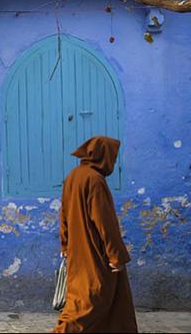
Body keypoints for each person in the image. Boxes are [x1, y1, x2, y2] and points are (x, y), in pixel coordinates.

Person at [53, 136, 138, 333]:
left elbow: (63, 214)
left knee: (111, 302)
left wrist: (65, 246)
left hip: (77, 252)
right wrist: (116, 256)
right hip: (96, 255)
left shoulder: (73, 176)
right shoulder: (95, 180)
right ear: (103, 156)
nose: (113, 164)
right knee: (88, 303)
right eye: (113, 158)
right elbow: (106, 224)